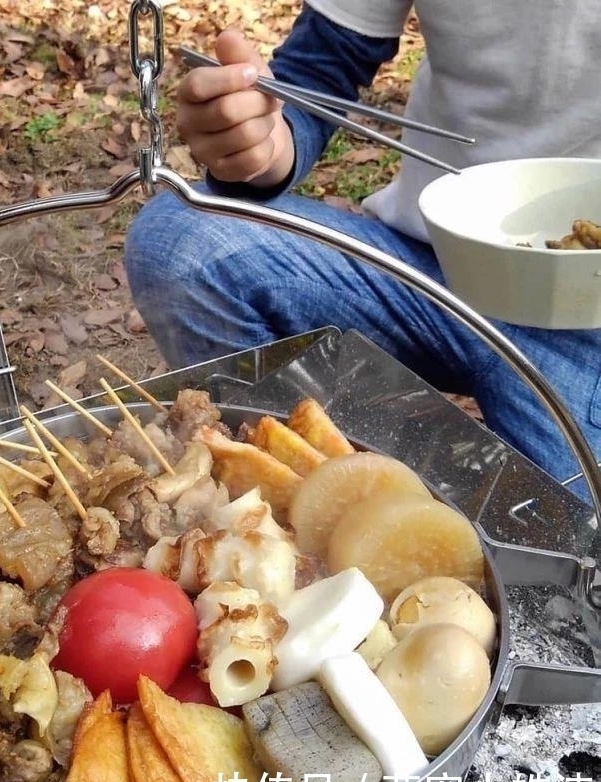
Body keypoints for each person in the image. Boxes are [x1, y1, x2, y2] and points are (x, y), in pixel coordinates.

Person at [124, 0, 601, 487]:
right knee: (181, 243)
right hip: (429, 274)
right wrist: (266, 141)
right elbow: (323, 63)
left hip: (591, 322)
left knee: (576, 547)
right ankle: (306, 498)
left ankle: (439, 481)